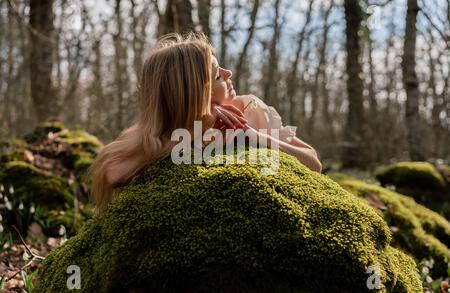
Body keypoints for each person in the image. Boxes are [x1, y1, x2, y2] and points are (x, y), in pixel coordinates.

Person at [89, 32, 321, 214]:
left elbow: (312, 163)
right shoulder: (162, 128)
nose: (228, 73)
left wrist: (251, 134)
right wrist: (195, 128)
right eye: (217, 75)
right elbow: (114, 174)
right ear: (194, 93)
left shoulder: (250, 108)